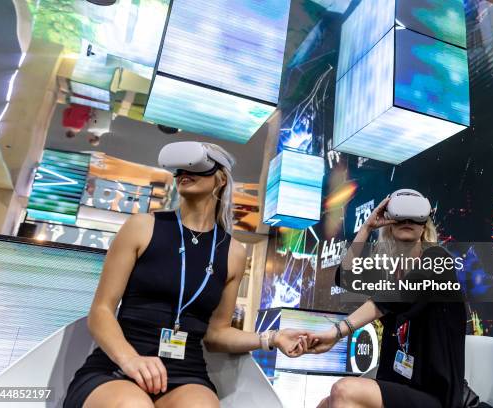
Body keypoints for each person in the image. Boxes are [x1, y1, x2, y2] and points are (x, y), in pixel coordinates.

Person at [64, 142, 309, 408]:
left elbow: (217, 334)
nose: (184, 172)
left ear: (222, 178)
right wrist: (130, 360)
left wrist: (271, 338)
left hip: (185, 371)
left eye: (195, 167)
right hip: (119, 365)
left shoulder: (233, 253)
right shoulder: (142, 227)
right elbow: (101, 310)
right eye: (178, 169)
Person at [307, 190, 466, 408]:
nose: (407, 221)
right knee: (325, 404)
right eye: (400, 216)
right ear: (389, 224)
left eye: (415, 217)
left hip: (434, 396)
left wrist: (337, 332)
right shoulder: (390, 272)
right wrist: (367, 227)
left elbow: (396, 296)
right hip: (397, 386)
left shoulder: (437, 260)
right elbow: (344, 276)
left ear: (424, 225)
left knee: (343, 390)